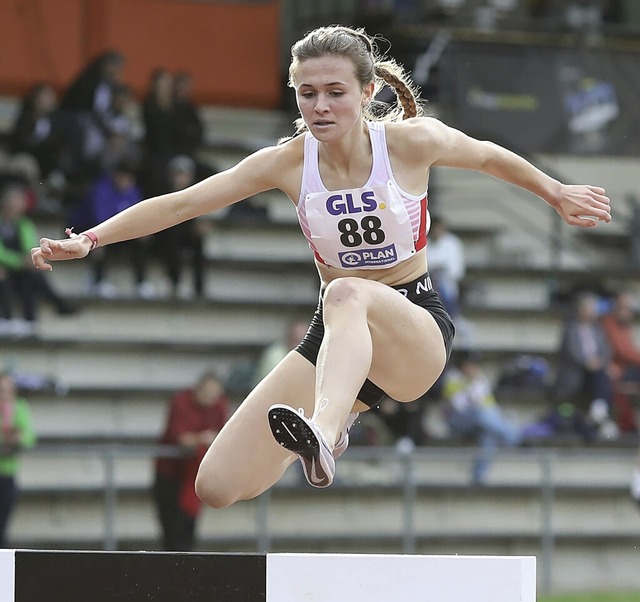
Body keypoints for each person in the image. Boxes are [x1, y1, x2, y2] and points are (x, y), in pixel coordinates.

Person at [31, 26, 611, 506]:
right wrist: (91, 239)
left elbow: (488, 156)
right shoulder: (286, 162)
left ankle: (329, 433)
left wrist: (555, 192)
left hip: (414, 329)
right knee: (215, 486)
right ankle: (324, 431)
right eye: (307, 94)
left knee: (346, 292)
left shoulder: (409, 142)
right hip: (338, 340)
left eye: (335, 92)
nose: (320, 106)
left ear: (365, 92)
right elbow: (183, 204)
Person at [153, 370, 229, 551]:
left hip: (194, 476)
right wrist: (203, 439)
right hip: (171, 474)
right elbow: (181, 438)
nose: (209, 400)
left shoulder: (218, 405)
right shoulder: (182, 402)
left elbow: (224, 435)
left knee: (189, 527)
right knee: (171, 528)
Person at [0, 181, 74, 335]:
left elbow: (29, 248)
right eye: (14, 201)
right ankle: (6, 317)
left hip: (19, 270)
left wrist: (27, 260)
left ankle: (30, 320)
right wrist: (19, 261)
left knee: (32, 273)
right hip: (5, 267)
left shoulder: (25, 224)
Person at [442, 349, 522, 485]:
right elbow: (460, 406)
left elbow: (490, 405)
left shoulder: (480, 380)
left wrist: (475, 386)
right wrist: (472, 386)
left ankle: (478, 477)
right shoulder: (452, 378)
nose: (474, 368)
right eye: (470, 364)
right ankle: (514, 437)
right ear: (462, 365)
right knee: (482, 414)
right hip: (458, 422)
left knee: (488, 434)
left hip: (481, 423)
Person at [552, 291, 618, 439]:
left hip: (596, 372)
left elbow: (607, 350)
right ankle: (600, 412)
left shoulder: (598, 329)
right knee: (601, 373)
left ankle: (599, 411)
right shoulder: (570, 330)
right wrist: (588, 362)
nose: (593, 312)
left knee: (603, 373)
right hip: (576, 373)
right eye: (590, 308)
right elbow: (573, 353)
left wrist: (599, 362)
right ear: (581, 310)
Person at [0, 371, 37, 547]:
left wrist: (17, 438)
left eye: (8, 389)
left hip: (8, 473)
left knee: (4, 523)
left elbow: (29, 437)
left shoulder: (20, 407)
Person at [601, 290, 640, 433]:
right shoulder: (608, 322)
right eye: (623, 308)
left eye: (630, 309)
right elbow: (623, 351)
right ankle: (628, 427)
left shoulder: (625, 324)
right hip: (614, 369)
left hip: (626, 368)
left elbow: (630, 349)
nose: (628, 312)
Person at [426, 214, 465, 320]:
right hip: (428, 285)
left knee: (443, 289)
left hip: (446, 286)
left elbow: (457, 271)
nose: (437, 231)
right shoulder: (424, 243)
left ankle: (452, 317)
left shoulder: (452, 243)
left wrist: (440, 270)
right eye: (435, 229)